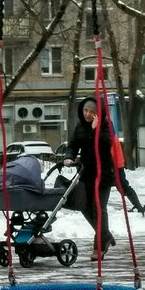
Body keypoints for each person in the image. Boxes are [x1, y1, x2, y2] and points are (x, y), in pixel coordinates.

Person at [64, 97, 116, 259]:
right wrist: (69, 156)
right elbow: (72, 145)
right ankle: (105, 235)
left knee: (98, 207)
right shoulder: (80, 126)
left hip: (104, 174)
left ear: (98, 114)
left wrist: (96, 130)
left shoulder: (107, 125)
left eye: (92, 112)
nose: (87, 114)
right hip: (86, 173)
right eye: (86, 110)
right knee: (84, 206)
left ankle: (99, 246)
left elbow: (107, 144)